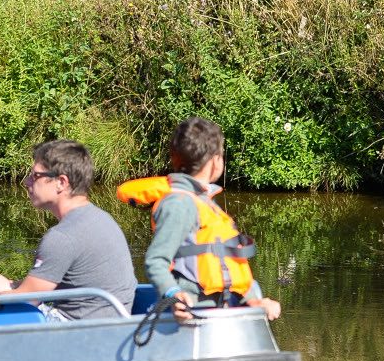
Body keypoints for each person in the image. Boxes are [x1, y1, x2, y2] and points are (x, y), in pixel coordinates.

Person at [117, 116, 281, 323]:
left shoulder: (203, 202)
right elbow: (156, 261)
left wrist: (255, 301)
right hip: (193, 314)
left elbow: (228, 264)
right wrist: (174, 294)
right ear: (215, 161)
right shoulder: (179, 204)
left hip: (220, 311)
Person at [0, 139, 135, 321]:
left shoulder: (62, 237)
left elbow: (26, 302)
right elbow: (31, 290)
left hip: (80, 334)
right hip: (110, 324)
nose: (26, 182)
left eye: (35, 176)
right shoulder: (101, 218)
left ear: (61, 182)